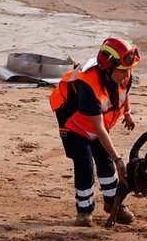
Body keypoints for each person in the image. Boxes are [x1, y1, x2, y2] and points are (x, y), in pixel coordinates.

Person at [49, 37, 140, 226]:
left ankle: (112, 204)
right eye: (122, 71)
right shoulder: (88, 86)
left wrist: (127, 113)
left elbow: (124, 92)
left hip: (97, 124)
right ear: (107, 68)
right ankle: (84, 212)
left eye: (128, 70)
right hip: (73, 126)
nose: (126, 75)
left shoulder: (123, 73)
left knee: (105, 161)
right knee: (85, 165)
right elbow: (98, 129)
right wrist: (119, 160)